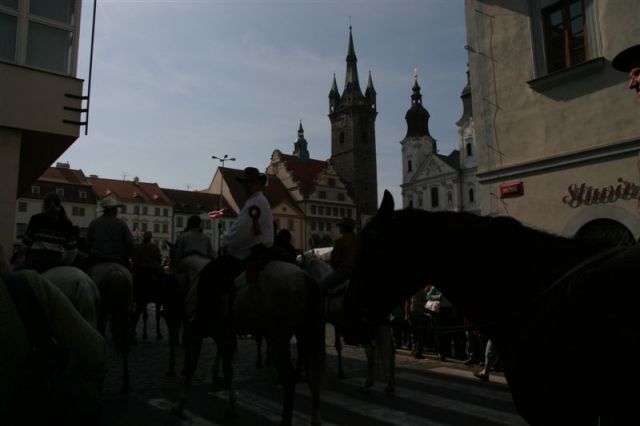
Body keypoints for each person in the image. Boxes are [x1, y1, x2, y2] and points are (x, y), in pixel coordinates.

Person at [0, 243, 107, 425]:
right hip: (63, 258)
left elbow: (27, 241)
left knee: (16, 275)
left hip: (38, 259)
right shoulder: (64, 224)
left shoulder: (37, 220)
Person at [195, 167, 274, 331]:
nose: (245, 187)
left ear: (257, 184)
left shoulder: (255, 203)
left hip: (248, 252)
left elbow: (242, 230)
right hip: (259, 249)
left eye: (249, 183)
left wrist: (225, 241)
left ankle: (205, 319)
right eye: (245, 183)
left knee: (208, 275)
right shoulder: (259, 201)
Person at [15, 192, 76, 273]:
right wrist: (65, 264)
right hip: (57, 261)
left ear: (44, 205)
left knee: (12, 276)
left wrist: (19, 258)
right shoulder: (67, 223)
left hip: (36, 259)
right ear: (59, 205)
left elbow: (25, 244)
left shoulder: (36, 219)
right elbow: (72, 250)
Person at [87, 195, 134, 267]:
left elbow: (88, 243)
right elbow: (130, 243)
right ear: (114, 210)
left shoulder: (94, 223)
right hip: (118, 260)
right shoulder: (121, 224)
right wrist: (127, 257)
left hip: (97, 260)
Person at [319, 217, 357, 293]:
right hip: (358, 271)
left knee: (320, 286)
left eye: (341, 227)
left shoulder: (340, 241)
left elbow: (334, 262)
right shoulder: (359, 240)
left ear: (345, 228)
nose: (340, 229)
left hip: (344, 271)